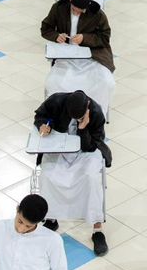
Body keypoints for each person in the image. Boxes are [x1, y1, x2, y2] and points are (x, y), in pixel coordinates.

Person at [32, 89, 111, 255]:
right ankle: (51, 218)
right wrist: (43, 125)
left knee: (90, 178)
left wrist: (83, 127)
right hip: (60, 147)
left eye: (80, 117)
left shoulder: (96, 113)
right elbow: (40, 115)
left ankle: (97, 229)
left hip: (86, 152)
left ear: (87, 107)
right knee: (47, 175)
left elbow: (91, 146)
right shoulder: (57, 100)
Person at [39, 0, 115, 113]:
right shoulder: (59, 8)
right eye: (74, 9)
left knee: (106, 82)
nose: (77, 13)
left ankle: (94, 114)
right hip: (66, 55)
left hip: (93, 57)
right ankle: (63, 114)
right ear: (70, 1)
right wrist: (56, 36)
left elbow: (104, 37)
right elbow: (46, 28)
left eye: (81, 11)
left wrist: (85, 38)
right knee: (53, 83)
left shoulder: (97, 13)